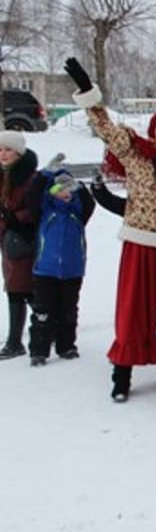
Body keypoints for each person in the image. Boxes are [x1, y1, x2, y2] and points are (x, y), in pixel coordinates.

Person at [66, 58, 156, 401]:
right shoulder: (135, 153)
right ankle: (122, 373)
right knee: (133, 308)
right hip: (139, 244)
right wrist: (88, 92)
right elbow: (105, 128)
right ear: (154, 129)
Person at [27, 167, 95, 366]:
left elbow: (89, 202)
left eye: (68, 188)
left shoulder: (78, 213)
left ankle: (66, 346)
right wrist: (44, 175)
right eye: (59, 188)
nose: (64, 192)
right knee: (43, 311)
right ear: (51, 191)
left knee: (68, 311)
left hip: (72, 271)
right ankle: (39, 350)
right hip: (45, 270)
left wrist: (79, 186)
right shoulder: (44, 211)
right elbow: (32, 196)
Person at [0, 131, 38, 360]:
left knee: (19, 289)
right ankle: (49, 325)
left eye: (8, 149)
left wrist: (16, 219)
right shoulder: (4, 175)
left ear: (19, 152)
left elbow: (36, 208)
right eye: (0, 150)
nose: (3, 154)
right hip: (8, 241)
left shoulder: (30, 177)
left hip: (24, 240)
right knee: (20, 289)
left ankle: (15, 342)